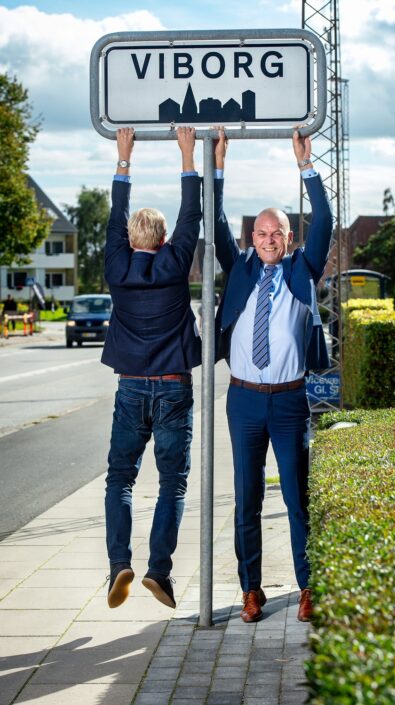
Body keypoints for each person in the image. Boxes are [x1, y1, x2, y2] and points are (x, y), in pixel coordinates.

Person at [213, 127, 333, 623]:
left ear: (288, 239)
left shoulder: (302, 270)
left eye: (276, 234)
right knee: (247, 500)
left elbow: (324, 220)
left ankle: (308, 587)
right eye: (260, 234)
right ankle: (251, 590)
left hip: (287, 402)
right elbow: (215, 222)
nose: (267, 240)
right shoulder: (238, 268)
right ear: (252, 238)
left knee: (297, 497)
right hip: (242, 401)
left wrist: (307, 168)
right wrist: (218, 166)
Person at [103, 126, 202, 609]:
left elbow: (113, 219)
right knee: (172, 482)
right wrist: (187, 154)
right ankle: (159, 571)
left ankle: (118, 562)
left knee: (120, 477)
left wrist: (124, 159)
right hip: (172, 388)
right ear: (164, 241)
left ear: (128, 239)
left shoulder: (116, 268)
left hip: (130, 391)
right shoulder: (176, 263)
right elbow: (193, 216)